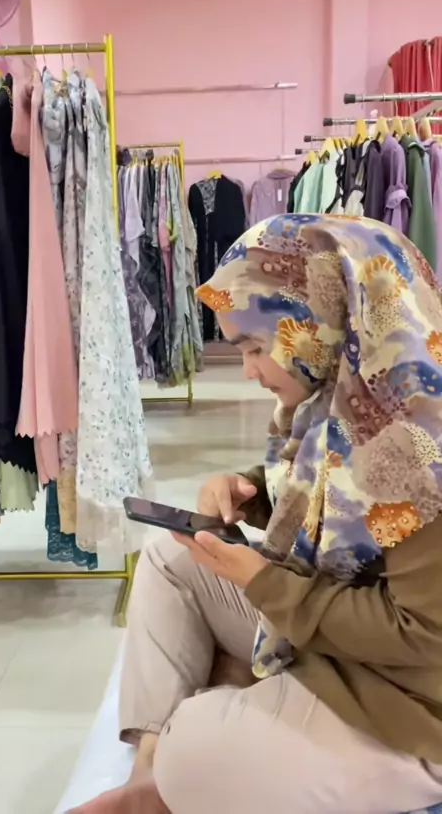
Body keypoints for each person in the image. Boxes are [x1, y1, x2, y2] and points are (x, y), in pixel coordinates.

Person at [71, 214, 442, 814]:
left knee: (197, 748)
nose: (247, 370)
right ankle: (151, 770)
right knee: (170, 561)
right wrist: (253, 493)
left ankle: (175, 768)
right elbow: (342, 507)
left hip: (410, 705)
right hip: (344, 650)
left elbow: (426, 637)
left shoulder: (418, 444)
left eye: (254, 347)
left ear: (316, 321)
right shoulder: (342, 396)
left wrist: (266, 584)